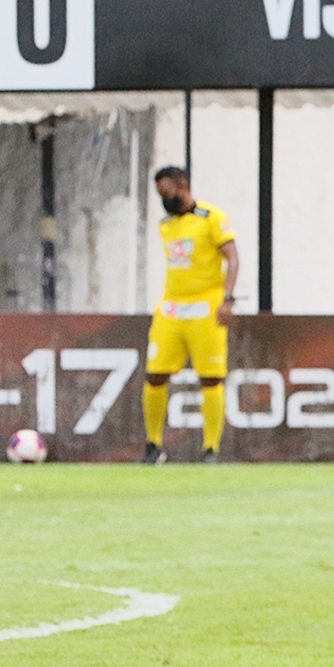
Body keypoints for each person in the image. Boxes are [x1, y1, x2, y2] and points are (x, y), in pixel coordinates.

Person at [141, 166, 239, 465]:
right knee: (155, 373)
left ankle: (211, 448)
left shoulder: (211, 218)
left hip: (206, 306)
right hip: (171, 307)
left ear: (183, 185)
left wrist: (228, 298)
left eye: (167, 192)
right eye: (159, 194)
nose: (164, 200)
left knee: (210, 377)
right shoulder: (166, 224)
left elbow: (232, 257)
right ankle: (153, 445)